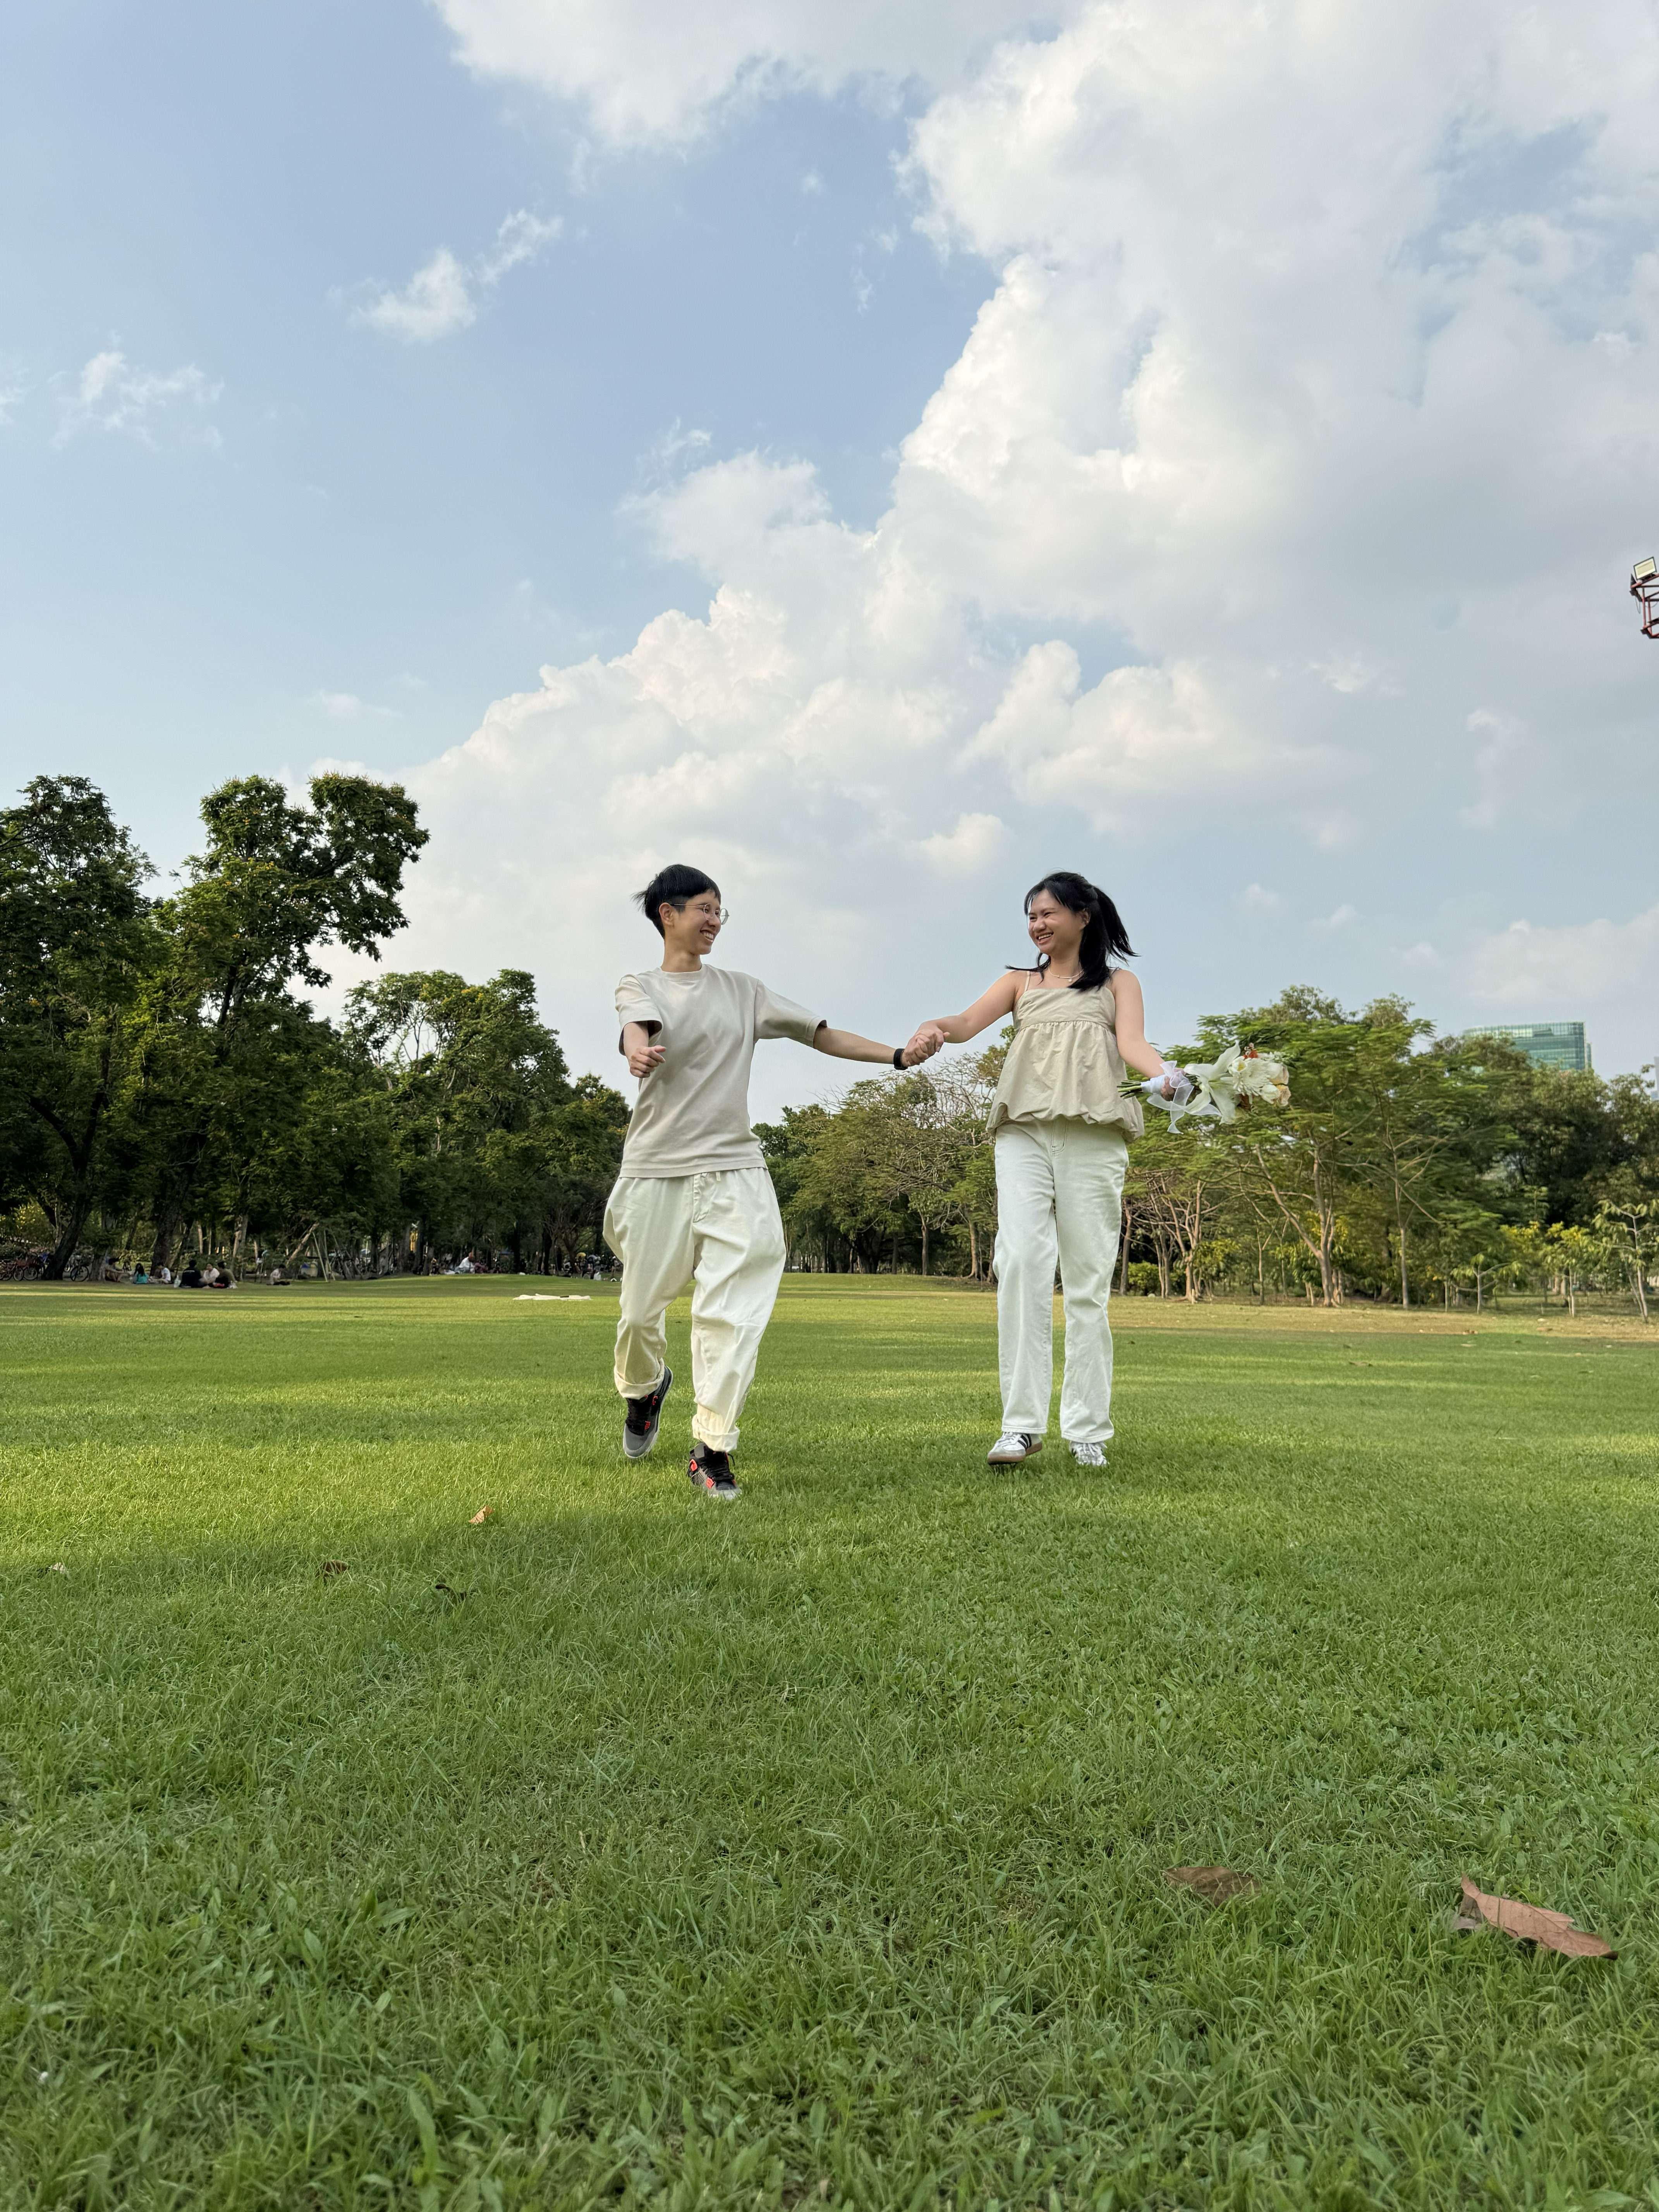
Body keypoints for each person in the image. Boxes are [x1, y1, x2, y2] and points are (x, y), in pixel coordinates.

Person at [608, 862, 939, 1501]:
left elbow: (820, 1034)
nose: (714, 920)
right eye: (703, 908)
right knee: (638, 1313)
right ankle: (644, 1390)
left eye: (720, 910)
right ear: (666, 914)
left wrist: (896, 1056)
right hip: (656, 1170)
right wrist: (634, 1051)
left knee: (735, 1310)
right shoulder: (639, 984)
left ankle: (712, 1447)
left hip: (736, 1167)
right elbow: (636, 1023)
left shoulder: (744, 990)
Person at [914, 872, 1187, 1469]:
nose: (1037, 924)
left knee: (1088, 1281)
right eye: (1031, 915)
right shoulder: (1019, 983)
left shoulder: (1118, 983)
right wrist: (935, 1028)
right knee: (1019, 1264)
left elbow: (1134, 1044)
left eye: (1048, 913)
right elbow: (964, 1024)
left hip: (1094, 1135)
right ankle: (1021, 1427)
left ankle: (1087, 1427)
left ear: (1084, 916)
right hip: (1024, 1132)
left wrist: (1165, 1075)